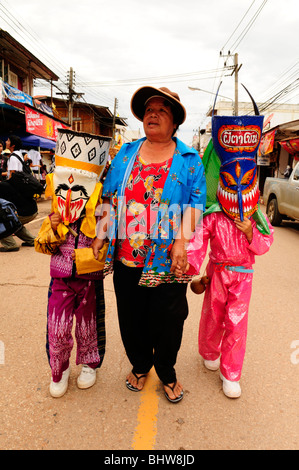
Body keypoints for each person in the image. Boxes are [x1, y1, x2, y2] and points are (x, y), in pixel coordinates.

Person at [92, 86, 207, 403]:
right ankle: (141, 364)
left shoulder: (190, 160)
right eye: (149, 109)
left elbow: (196, 204)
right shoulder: (126, 154)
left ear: (174, 123)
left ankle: (167, 372)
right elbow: (108, 196)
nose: (153, 114)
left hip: (168, 258)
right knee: (131, 316)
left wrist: (182, 240)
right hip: (126, 257)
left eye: (162, 110)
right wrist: (102, 234)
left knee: (170, 318)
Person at [185, 99, 274, 399]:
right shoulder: (213, 215)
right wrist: (190, 269)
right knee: (213, 315)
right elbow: (197, 243)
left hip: (243, 276)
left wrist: (250, 233)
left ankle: (231, 372)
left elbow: (265, 245)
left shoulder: (256, 218)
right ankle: (209, 351)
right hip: (217, 273)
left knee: (236, 323)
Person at [35, 129, 111, 398]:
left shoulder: (102, 209)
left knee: (89, 323)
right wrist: (55, 227)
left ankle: (90, 364)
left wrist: (100, 238)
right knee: (57, 325)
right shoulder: (56, 213)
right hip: (61, 278)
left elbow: (107, 231)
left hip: (89, 277)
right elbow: (44, 244)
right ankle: (60, 368)